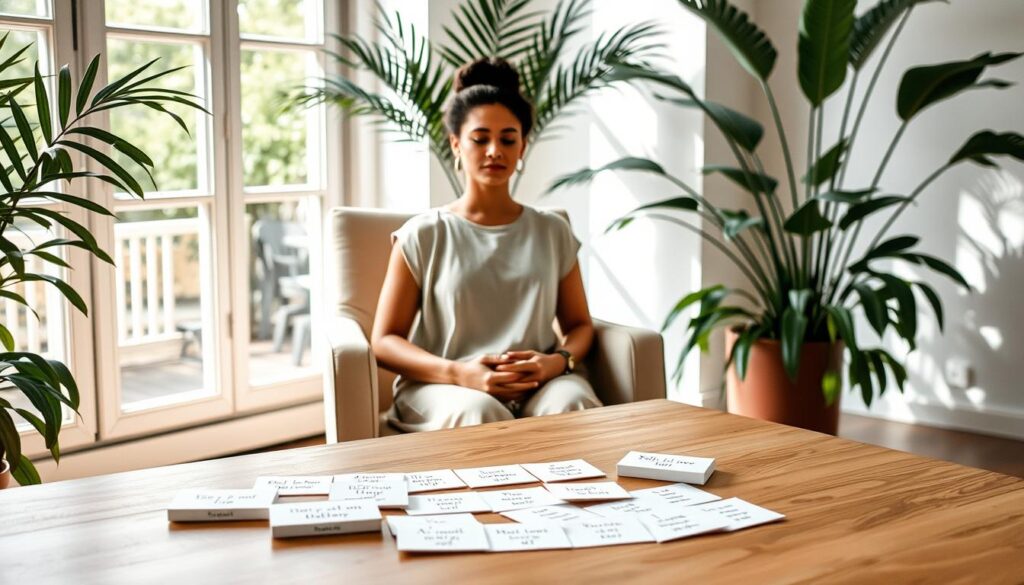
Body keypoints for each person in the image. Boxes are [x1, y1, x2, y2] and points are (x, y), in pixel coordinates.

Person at [371, 57, 602, 432]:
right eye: (480, 139)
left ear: (522, 146)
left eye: (508, 139)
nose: (495, 150)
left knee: (572, 401)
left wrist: (556, 362)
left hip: (539, 382)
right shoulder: (422, 234)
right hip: (443, 385)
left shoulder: (552, 230)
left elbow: (579, 325)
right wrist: (459, 373)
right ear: (456, 144)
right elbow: (384, 341)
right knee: (480, 413)